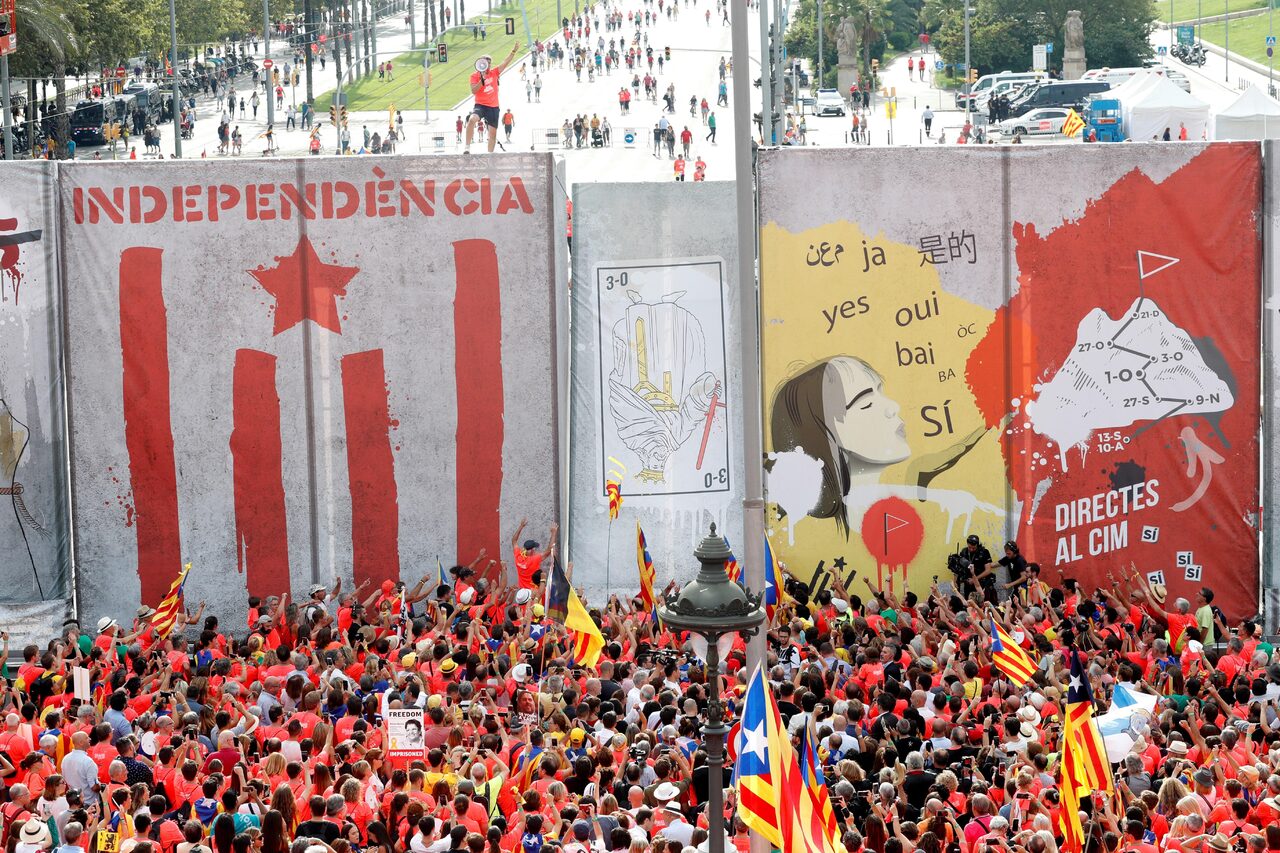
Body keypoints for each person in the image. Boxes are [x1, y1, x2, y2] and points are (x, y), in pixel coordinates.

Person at [465, 43, 521, 154]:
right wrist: (482, 80)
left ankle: (489, 155)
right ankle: (467, 147)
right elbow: (473, 91)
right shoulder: (474, 76)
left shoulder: (494, 72)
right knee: (471, 120)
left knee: (493, 134)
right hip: (480, 105)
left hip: (493, 107)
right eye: (486, 63)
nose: (488, 65)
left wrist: (513, 51)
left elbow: (505, 62)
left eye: (489, 63)